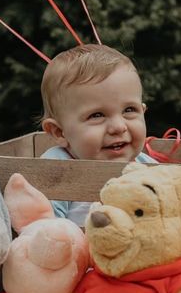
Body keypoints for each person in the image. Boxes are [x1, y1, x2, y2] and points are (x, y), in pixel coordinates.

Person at [40, 44, 156, 225]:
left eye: (129, 110)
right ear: (59, 132)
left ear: (143, 112)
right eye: (97, 115)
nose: (118, 127)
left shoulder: (148, 166)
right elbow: (47, 227)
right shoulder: (57, 168)